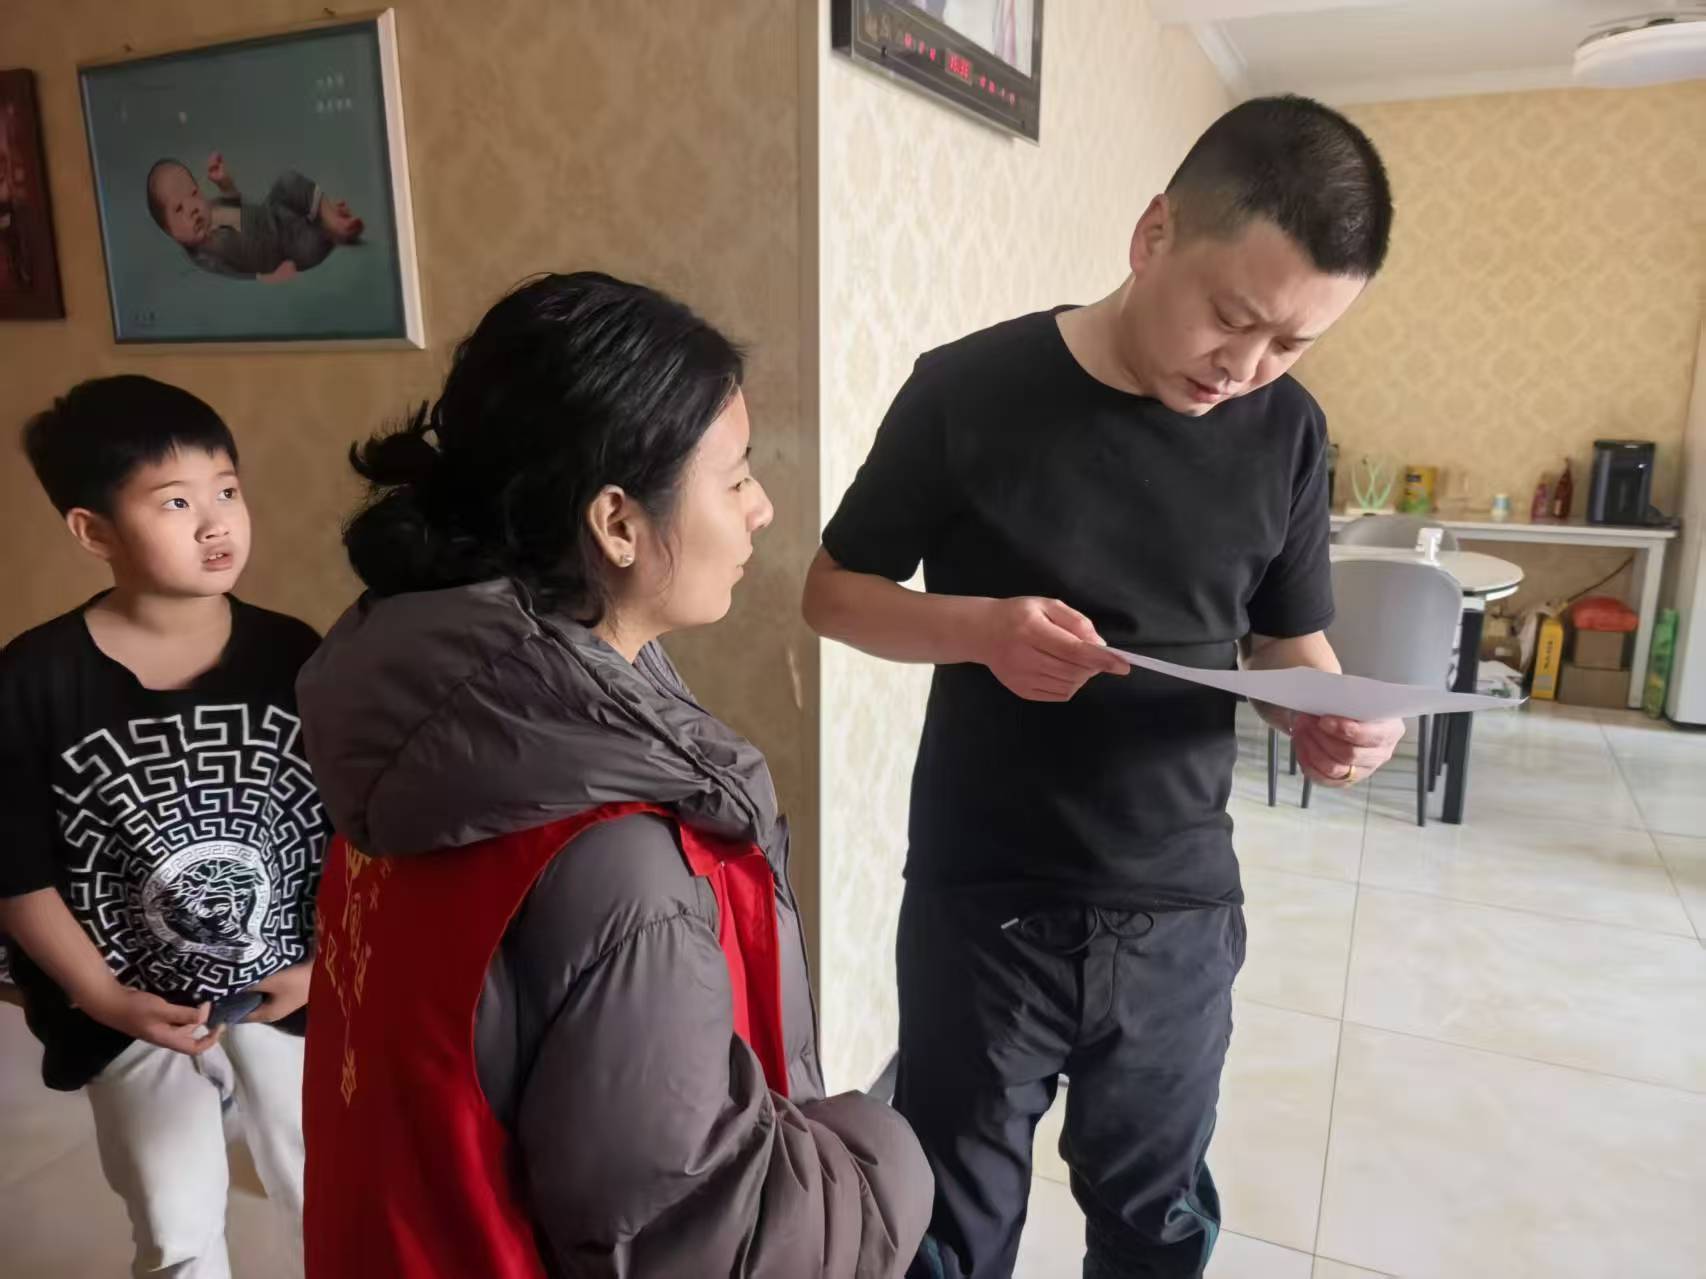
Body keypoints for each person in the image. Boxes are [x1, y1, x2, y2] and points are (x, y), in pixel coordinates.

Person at [802, 95, 1405, 1279]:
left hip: (1176, 901)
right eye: (1230, 318)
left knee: (1153, 1212)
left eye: (1290, 345)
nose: (1244, 369)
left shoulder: (1286, 432)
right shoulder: (966, 390)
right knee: (952, 1215)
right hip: (983, 893)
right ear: (1152, 233)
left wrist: (1332, 715)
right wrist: (980, 630)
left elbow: (1290, 641)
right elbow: (832, 592)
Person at [296, 271, 932, 1278]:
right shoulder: (619, 860)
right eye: (734, 478)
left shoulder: (418, 703)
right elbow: (703, 1242)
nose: (762, 507)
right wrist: (882, 1156)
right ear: (617, 523)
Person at [0, 374, 328, 1277]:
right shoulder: (32, 682)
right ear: (93, 531)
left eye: (227, 490)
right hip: (121, 999)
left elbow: (347, 831)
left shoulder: (293, 653)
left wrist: (325, 964)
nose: (216, 522)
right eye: (176, 502)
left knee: (326, 1183)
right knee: (176, 1218)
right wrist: (102, 996)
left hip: (285, 984)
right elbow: (17, 874)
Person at [146, 152, 363, 284]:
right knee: (309, 244)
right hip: (281, 249)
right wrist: (271, 277)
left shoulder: (212, 211)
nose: (193, 208)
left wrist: (224, 183)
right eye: (179, 209)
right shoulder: (205, 255)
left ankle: (330, 217)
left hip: (271, 213)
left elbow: (235, 206)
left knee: (287, 180)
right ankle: (331, 230)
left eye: (194, 194)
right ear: (168, 230)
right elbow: (236, 275)